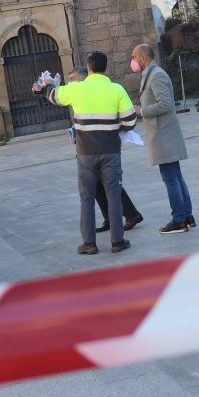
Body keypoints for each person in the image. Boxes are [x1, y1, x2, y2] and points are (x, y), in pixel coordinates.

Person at [34, 52, 136, 255]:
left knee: (87, 197)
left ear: (88, 69)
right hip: (110, 151)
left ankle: (89, 244)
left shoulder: (76, 89)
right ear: (105, 68)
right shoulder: (117, 89)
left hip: (86, 153)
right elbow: (130, 121)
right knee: (113, 196)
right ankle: (117, 241)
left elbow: (53, 96)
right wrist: (113, 126)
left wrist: (47, 85)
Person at [65, 67, 144, 233]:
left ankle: (131, 214)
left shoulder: (97, 91)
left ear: (84, 78)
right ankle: (110, 218)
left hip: (102, 146)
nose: (70, 82)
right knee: (100, 185)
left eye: (72, 78)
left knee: (110, 185)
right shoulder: (80, 94)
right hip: (91, 147)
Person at [131, 43, 195, 234]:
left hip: (163, 135)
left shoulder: (156, 75)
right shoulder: (150, 74)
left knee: (170, 178)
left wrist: (141, 111)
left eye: (134, 57)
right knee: (175, 176)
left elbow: (165, 104)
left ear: (144, 58)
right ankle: (187, 216)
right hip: (162, 134)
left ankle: (179, 220)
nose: (132, 62)